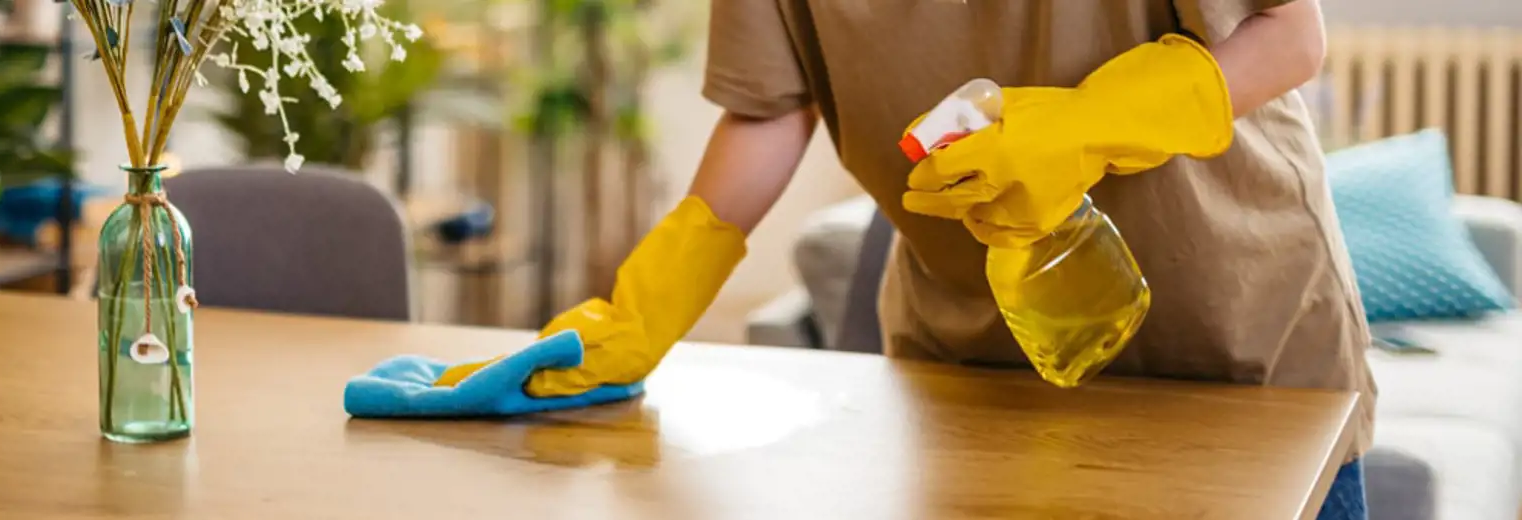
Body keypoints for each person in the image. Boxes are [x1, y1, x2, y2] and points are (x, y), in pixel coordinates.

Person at [437, 0, 1371, 517]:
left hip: (1243, 355)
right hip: (973, 375)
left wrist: (1091, 125)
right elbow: (771, 105)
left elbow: (1291, 33)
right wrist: (648, 306)